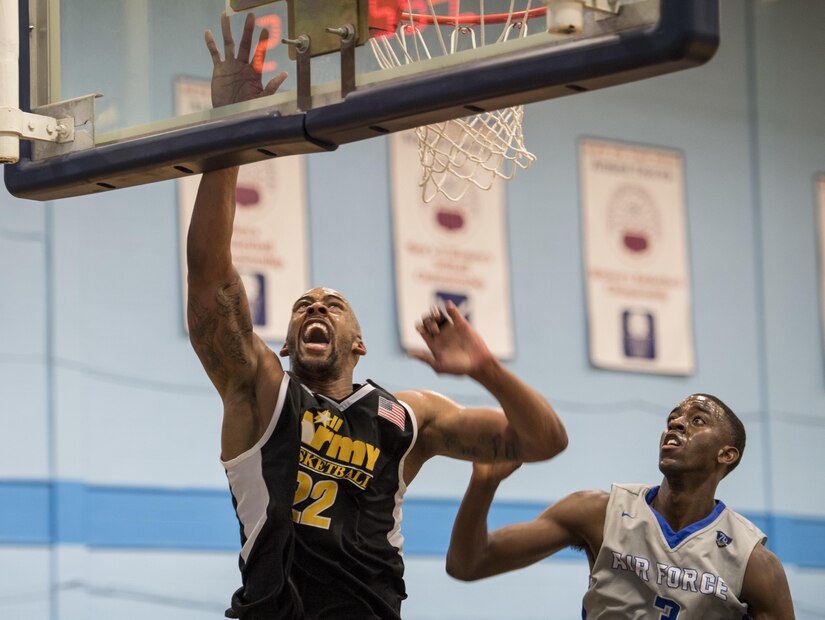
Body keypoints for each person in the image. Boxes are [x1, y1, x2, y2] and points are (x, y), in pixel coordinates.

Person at [187, 12, 568, 620]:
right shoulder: (259, 390)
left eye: (333, 305)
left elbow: (544, 442)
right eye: (303, 306)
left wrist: (486, 369)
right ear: (285, 343)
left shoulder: (408, 417)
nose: (316, 306)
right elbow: (210, 277)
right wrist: (228, 134)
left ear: (359, 343)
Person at [446, 393, 796, 619]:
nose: (676, 423)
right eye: (673, 419)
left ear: (727, 454)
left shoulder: (753, 563)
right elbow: (469, 563)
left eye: (697, 420)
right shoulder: (597, 512)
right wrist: (484, 482)